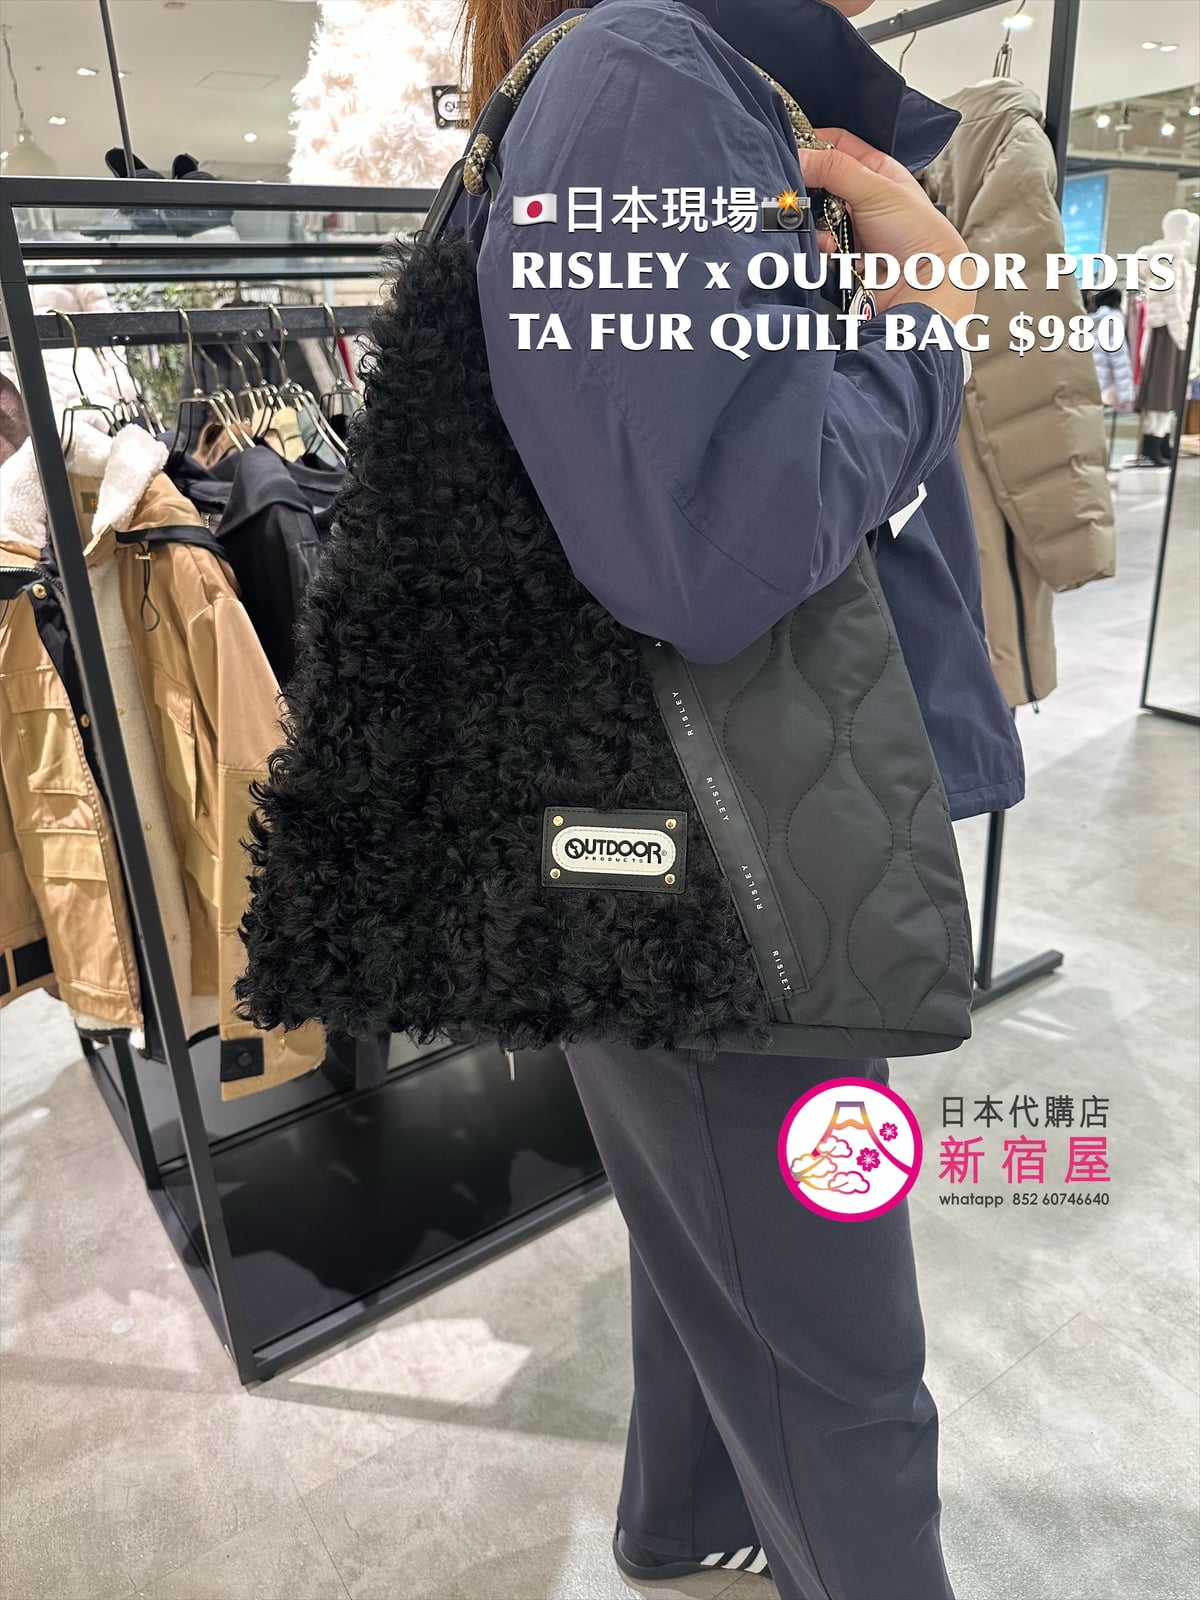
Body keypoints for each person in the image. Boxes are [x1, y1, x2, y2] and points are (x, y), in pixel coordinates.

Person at [453, 2, 1025, 1596]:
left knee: (720, 1222)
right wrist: (925, 316)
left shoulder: (662, 81)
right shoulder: (646, 76)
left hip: (699, 825)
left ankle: (682, 1510)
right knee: (846, 1360)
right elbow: (707, 552)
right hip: (732, 843)